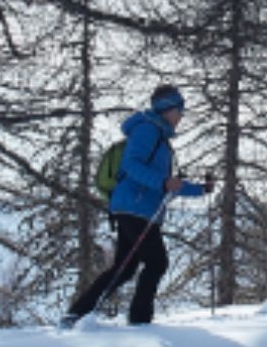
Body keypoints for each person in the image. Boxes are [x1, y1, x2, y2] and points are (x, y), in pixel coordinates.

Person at [61, 85, 210, 327]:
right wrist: (162, 182)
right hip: (135, 207)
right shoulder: (147, 130)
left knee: (125, 267)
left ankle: (78, 313)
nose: (181, 116)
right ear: (168, 108)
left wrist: (200, 189)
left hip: (135, 207)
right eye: (179, 110)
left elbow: (167, 185)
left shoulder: (159, 136)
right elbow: (132, 165)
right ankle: (140, 321)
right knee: (156, 262)